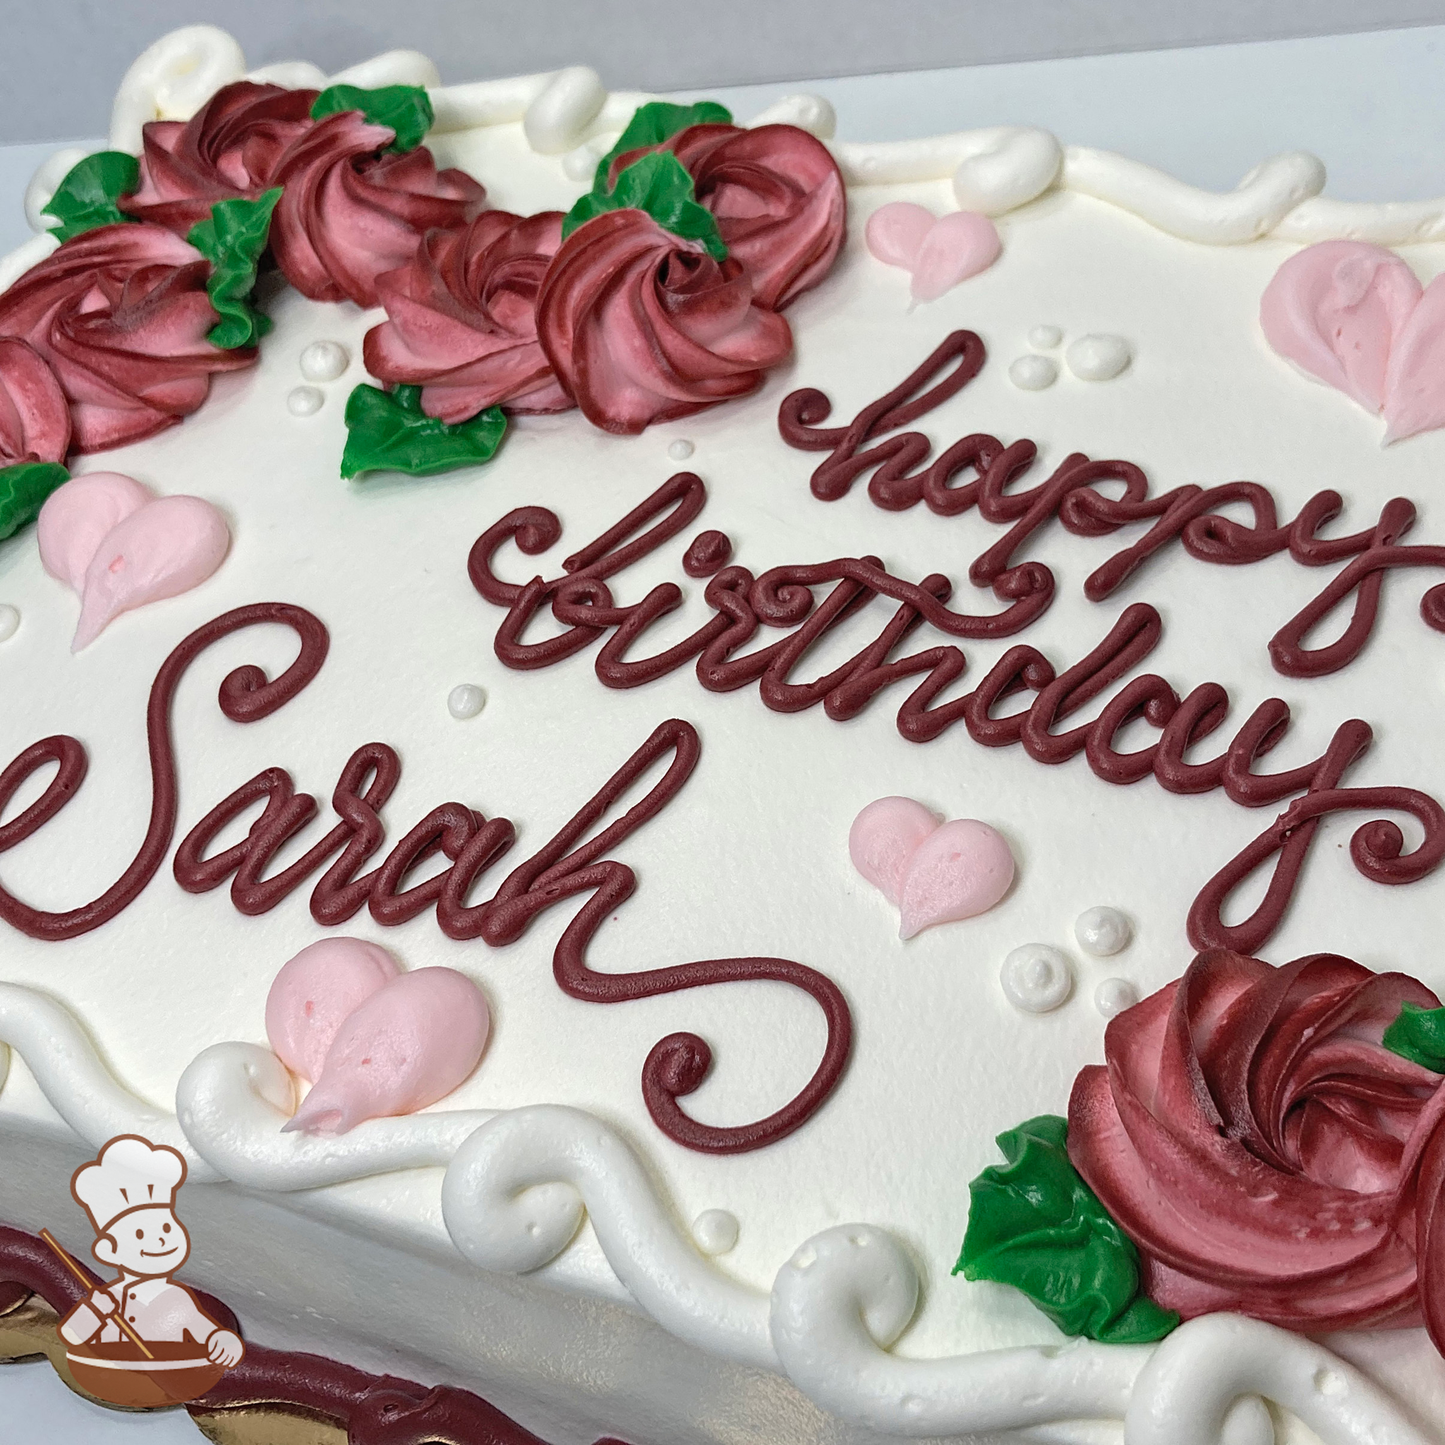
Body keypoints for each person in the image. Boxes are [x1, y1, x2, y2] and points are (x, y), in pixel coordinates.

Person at [57, 1134, 243, 1366]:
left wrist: (225, 1342)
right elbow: (70, 1336)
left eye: (166, 1227)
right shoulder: (109, 1297)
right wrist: (94, 1312)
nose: (161, 1241)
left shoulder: (176, 1299)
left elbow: (207, 1332)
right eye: (140, 1234)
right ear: (109, 1250)